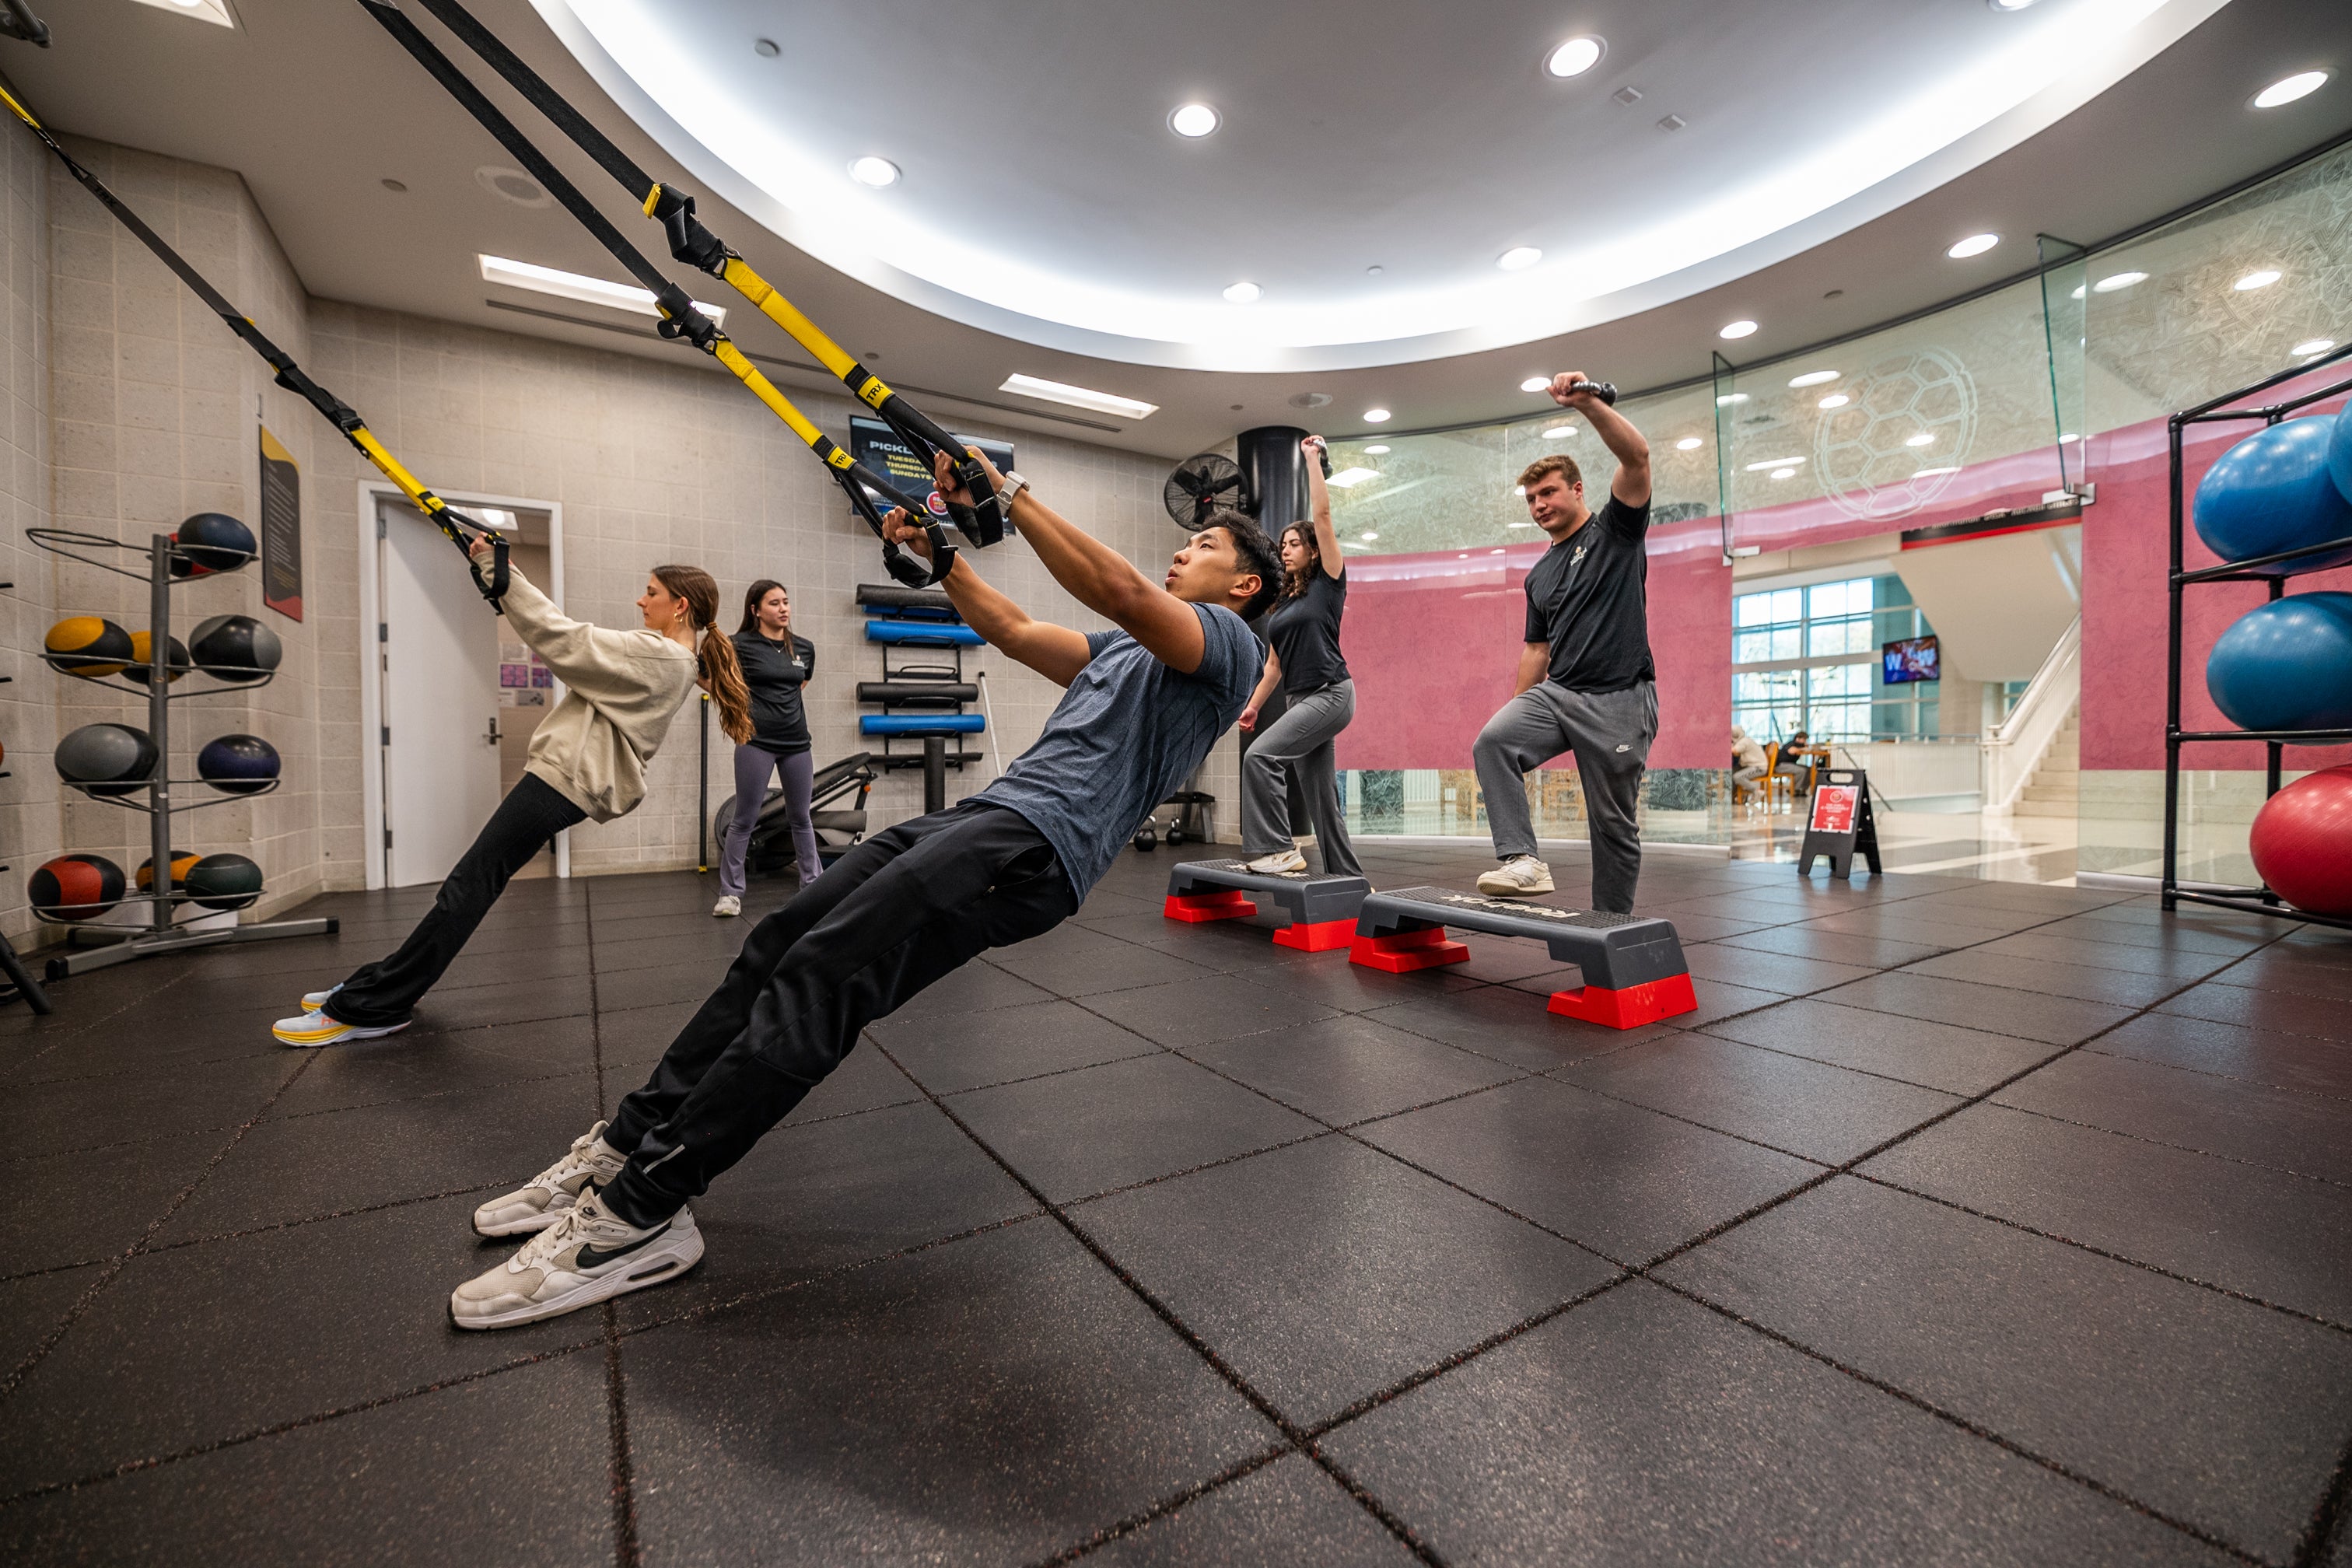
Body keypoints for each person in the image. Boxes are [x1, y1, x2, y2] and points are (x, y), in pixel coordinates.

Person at [446, 447, 1279, 1328]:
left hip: (1038, 845)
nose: (1186, 550)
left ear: (1246, 587)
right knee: (777, 945)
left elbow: (1121, 591)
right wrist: (947, 561)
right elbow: (1020, 634)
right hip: (991, 814)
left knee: (826, 977)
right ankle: (623, 1149)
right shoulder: (1131, 654)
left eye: (1209, 544)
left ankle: (642, 1213)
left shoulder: (1227, 643)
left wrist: (1008, 493)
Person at [273, 549, 753, 1046]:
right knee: (474, 880)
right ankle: (381, 985)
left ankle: (377, 1005)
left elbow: (561, 636)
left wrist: (502, 573)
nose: (640, 600)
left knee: (469, 883)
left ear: (679, 606)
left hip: (563, 780)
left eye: (651, 592)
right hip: (565, 779)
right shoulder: (671, 656)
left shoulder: (660, 654)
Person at [1470, 372, 1654, 911]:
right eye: (1530, 498)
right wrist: (1520, 710)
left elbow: (1638, 459)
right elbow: (1536, 651)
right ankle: (1522, 861)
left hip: (1620, 698)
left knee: (1612, 826)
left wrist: (1588, 404)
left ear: (1578, 490)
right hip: (1561, 694)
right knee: (1493, 741)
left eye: (1548, 492)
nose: (1538, 505)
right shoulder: (1539, 575)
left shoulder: (1616, 533)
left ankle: (1611, 928)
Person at [1237, 435, 1363, 878]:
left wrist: (1312, 459)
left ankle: (1277, 848)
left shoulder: (1329, 582)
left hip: (1330, 693)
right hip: (1300, 700)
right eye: (1283, 543)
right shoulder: (1285, 604)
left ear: (1313, 550)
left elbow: (1323, 515)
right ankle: (1349, 881)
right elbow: (1274, 665)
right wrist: (1253, 706)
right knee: (1322, 801)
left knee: (1261, 758)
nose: (1285, 548)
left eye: (1294, 543)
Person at [713, 579, 820, 917]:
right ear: (755, 610)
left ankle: (813, 885)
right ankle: (730, 893)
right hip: (755, 741)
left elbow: (799, 685)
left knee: (801, 817)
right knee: (744, 818)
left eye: (786, 602)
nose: (783, 608)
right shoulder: (739, 645)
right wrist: (737, 706)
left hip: (797, 743)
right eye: (774, 603)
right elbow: (708, 675)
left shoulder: (803, 647)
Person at [1731, 725, 1769, 803]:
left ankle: (1756, 792)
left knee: (1737, 777)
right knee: (1733, 771)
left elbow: (1734, 751)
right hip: (1752, 766)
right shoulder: (1742, 741)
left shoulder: (1744, 741)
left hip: (1759, 768)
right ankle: (1737, 795)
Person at [1775, 729, 1815, 798]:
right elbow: (1791, 751)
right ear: (1798, 738)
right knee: (1802, 771)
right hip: (1781, 766)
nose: (1805, 741)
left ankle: (1802, 790)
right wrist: (1803, 748)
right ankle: (1794, 789)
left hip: (1789, 765)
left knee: (1810, 769)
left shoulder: (1799, 745)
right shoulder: (1792, 744)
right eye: (1804, 739)